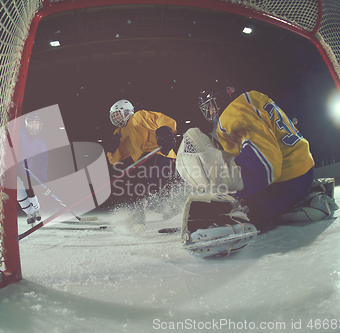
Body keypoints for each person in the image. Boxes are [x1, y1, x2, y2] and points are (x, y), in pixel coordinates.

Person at [176, 79, 315, 255]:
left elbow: (267, 165)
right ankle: (300, 202)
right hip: (305, 170)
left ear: (218, 100)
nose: (210, 111)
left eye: (210, 105)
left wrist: (238, 197)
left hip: (287, 182)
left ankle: (246, 217)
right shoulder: (253, 96)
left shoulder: (230, 115)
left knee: (236, 216)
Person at [104, 99, 178, 223]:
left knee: (137, 183)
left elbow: (160, 119)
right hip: (144, 161)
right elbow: (115, 159)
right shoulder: (119, 132)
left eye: (118, 114)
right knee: (139, 188)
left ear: (127, 111)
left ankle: (137, 215)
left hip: (158, 153)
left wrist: (164, 129)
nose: (116, 118)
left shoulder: (138, 117)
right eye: (114, 116)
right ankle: (168, 209)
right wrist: (112, 149)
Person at [16, 114, 48, 225]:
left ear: (39, 126)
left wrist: (43, 178)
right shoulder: (21, 133)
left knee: (29, 189)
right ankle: (29, 213)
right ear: (27, 124)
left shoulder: (40, 142)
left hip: (28, 170)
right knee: (18, 192)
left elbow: (42, 161)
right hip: (15, 169)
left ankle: (36, 209)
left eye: (36, 123)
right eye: (32, 123)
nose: (34, 125)